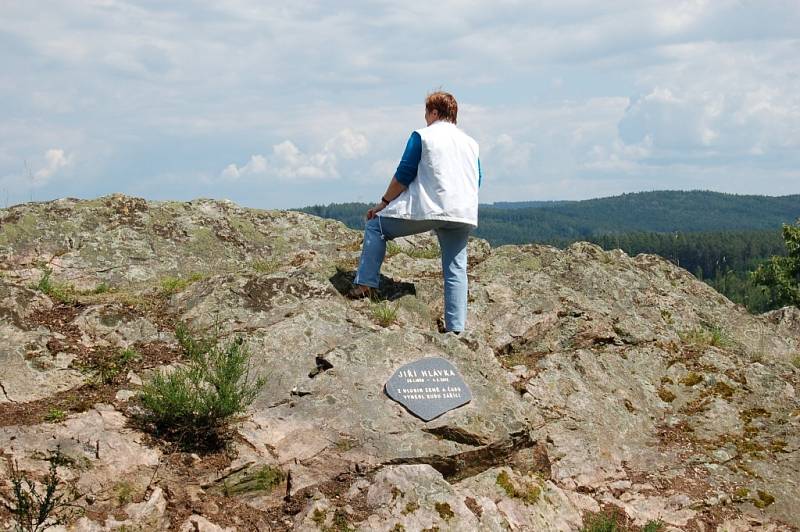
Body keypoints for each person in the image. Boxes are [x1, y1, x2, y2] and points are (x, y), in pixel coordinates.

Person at [348, 91, 482, 333]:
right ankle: (456, 329)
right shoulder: (471, 143)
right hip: (463, 211)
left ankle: (366, 284)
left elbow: (404, 174)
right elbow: (477, 178)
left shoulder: (423, 136)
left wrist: (384, 203)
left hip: (430, 207)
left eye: (426, 113)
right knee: (455, 268)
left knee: (375, 226)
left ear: (433, 112)